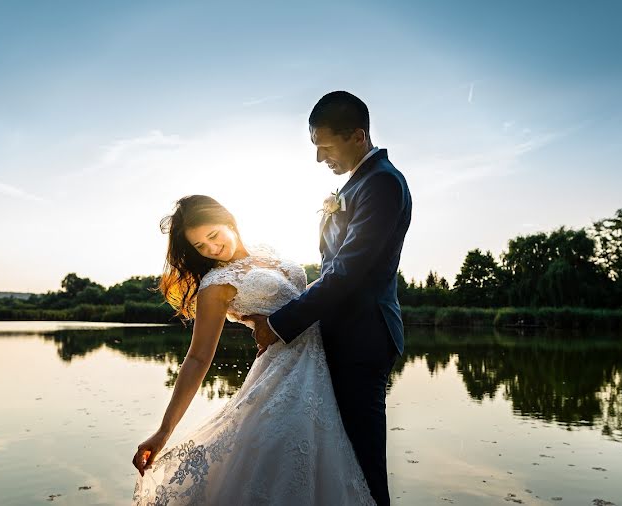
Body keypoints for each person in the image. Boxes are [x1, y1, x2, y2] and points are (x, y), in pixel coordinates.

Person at [131, 195, 375, 505]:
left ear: (229, 221)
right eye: (200, 247)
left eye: (213, 236)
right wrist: (164, 431)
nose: (211, 249)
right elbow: (197, 358)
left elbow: (313, 293)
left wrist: (278, 321)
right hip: (285, 378)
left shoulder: (267, 251)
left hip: (328, 364)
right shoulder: (216, 284)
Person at [247, 91, 412, 506]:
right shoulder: (359, 183)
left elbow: (346, 272)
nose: (320, 159)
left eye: (324, 146)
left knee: (362, 459)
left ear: (357, 136)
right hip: (339, 335)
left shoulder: (382, 184)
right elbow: (330, 266)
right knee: (340, 459)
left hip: (362, 338)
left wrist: (281, 323)